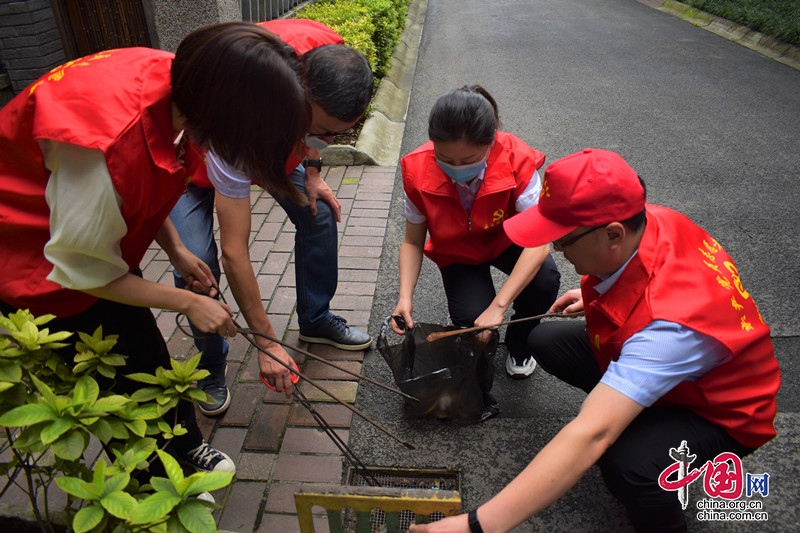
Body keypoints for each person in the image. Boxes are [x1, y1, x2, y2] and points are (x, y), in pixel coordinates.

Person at [410, 148, 780, 533]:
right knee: (546, 339)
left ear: (612, 234)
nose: (555, 249)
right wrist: (591, 297)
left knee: (625, 461)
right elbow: (643, 278)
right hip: (677, 370)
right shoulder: (652, 220)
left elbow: (591, 434)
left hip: (719, 410)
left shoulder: (669, 329)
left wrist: (474, 525)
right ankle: (637, 413)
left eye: (564, 240)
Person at [0, 22, 311, 475]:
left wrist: (177, 250)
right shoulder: (102, 147)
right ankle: (153, 485)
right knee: (112, 388)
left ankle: (184, 448)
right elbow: (83, 270)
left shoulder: (175, 81)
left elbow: (141, 183)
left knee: (147, 355)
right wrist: (186, 302)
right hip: (36, 264)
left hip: (89, 243)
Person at [169, 19, 375, 416]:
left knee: (317, 215)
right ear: (295, 94)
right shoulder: (239, 113)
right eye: (319, 131)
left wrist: (313, 169)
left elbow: (322, 130)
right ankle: (210, 367)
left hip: (271, 144)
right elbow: (235, 252)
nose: (326, 140)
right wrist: (266, 342)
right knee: (196, 262)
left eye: (337, 134)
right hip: (196, 163)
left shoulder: (329, 55)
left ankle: (315, 319)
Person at [392, 85, 561, 391]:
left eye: (469, 160)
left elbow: (539, 241)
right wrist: (405, 297)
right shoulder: (415, 170)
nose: (457, 170)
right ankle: (472, 323)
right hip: (458, 251)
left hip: (510, 239)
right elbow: (412, 241)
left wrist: (499, 306)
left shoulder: (518, 160)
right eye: (445, 159)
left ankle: (521, 344)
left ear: (491, 142)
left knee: (545, 279)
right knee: (473, 324)